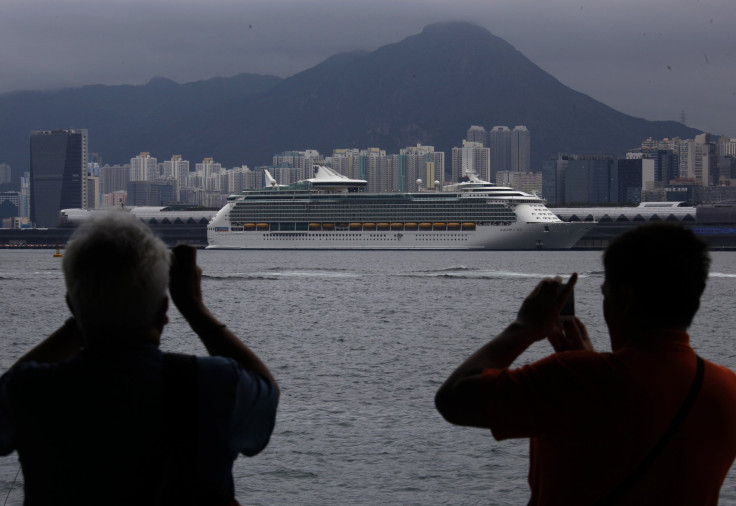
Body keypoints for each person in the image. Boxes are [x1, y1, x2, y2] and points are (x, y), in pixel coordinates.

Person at [435, 223, 736, 505]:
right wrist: (588, 361)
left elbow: (454, 398)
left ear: (626, 298)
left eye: (605, 293)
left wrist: (524, 328)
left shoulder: (575, 378)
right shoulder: (727, 389)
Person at [0, 212, 279, 505]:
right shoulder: (213, 384)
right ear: (163, 310)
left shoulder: (31, 390)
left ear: (72, 306)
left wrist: (85, 316)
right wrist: (195, 307)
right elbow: (266, 397)